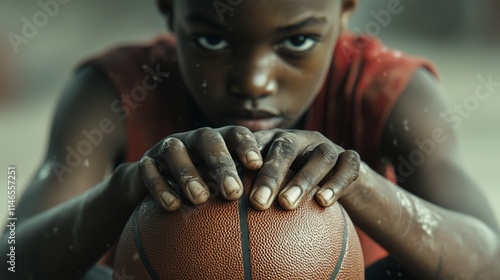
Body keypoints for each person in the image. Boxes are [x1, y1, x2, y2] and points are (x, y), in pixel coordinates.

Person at [2, 0, 500, 279]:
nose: (254, 81)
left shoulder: (388, 90)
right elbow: (10, 258)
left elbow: (489, 258)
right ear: (169, 8)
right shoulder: (112, 91)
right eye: (212, 41)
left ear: (346, 9)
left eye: (297, 42)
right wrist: (125, 190)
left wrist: (361, 184)